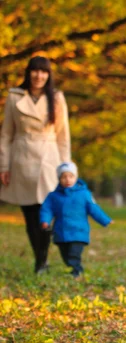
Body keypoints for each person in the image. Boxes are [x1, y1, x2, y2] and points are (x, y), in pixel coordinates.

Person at [0, 56, 71, 274]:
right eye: (35, 71)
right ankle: (40, 261)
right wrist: (4, 166)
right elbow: (6, 134)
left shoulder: (57, 98)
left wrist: (66, 167)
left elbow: (63, 135)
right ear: (28, 72)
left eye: (44, 72)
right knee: (30, 215)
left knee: (46, 214)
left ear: (48, 75)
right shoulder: (14, 97)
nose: (39, 76)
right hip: (21, 160)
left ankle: (42, 260)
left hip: (48, 160)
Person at [40, 162, 113, 278]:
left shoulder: (84, 194)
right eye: (64, 177)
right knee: (65, 255)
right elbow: (47, 209)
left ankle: (77, 272)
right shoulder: (53, 196)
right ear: (59, 179)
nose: (67, 179)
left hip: (78, 232)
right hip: (61, 232)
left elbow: (93, 208)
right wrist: (45, 221)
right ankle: (74, 270)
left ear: (76, 177)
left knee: (74, 254)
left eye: (71, 176)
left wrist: (105, 220)